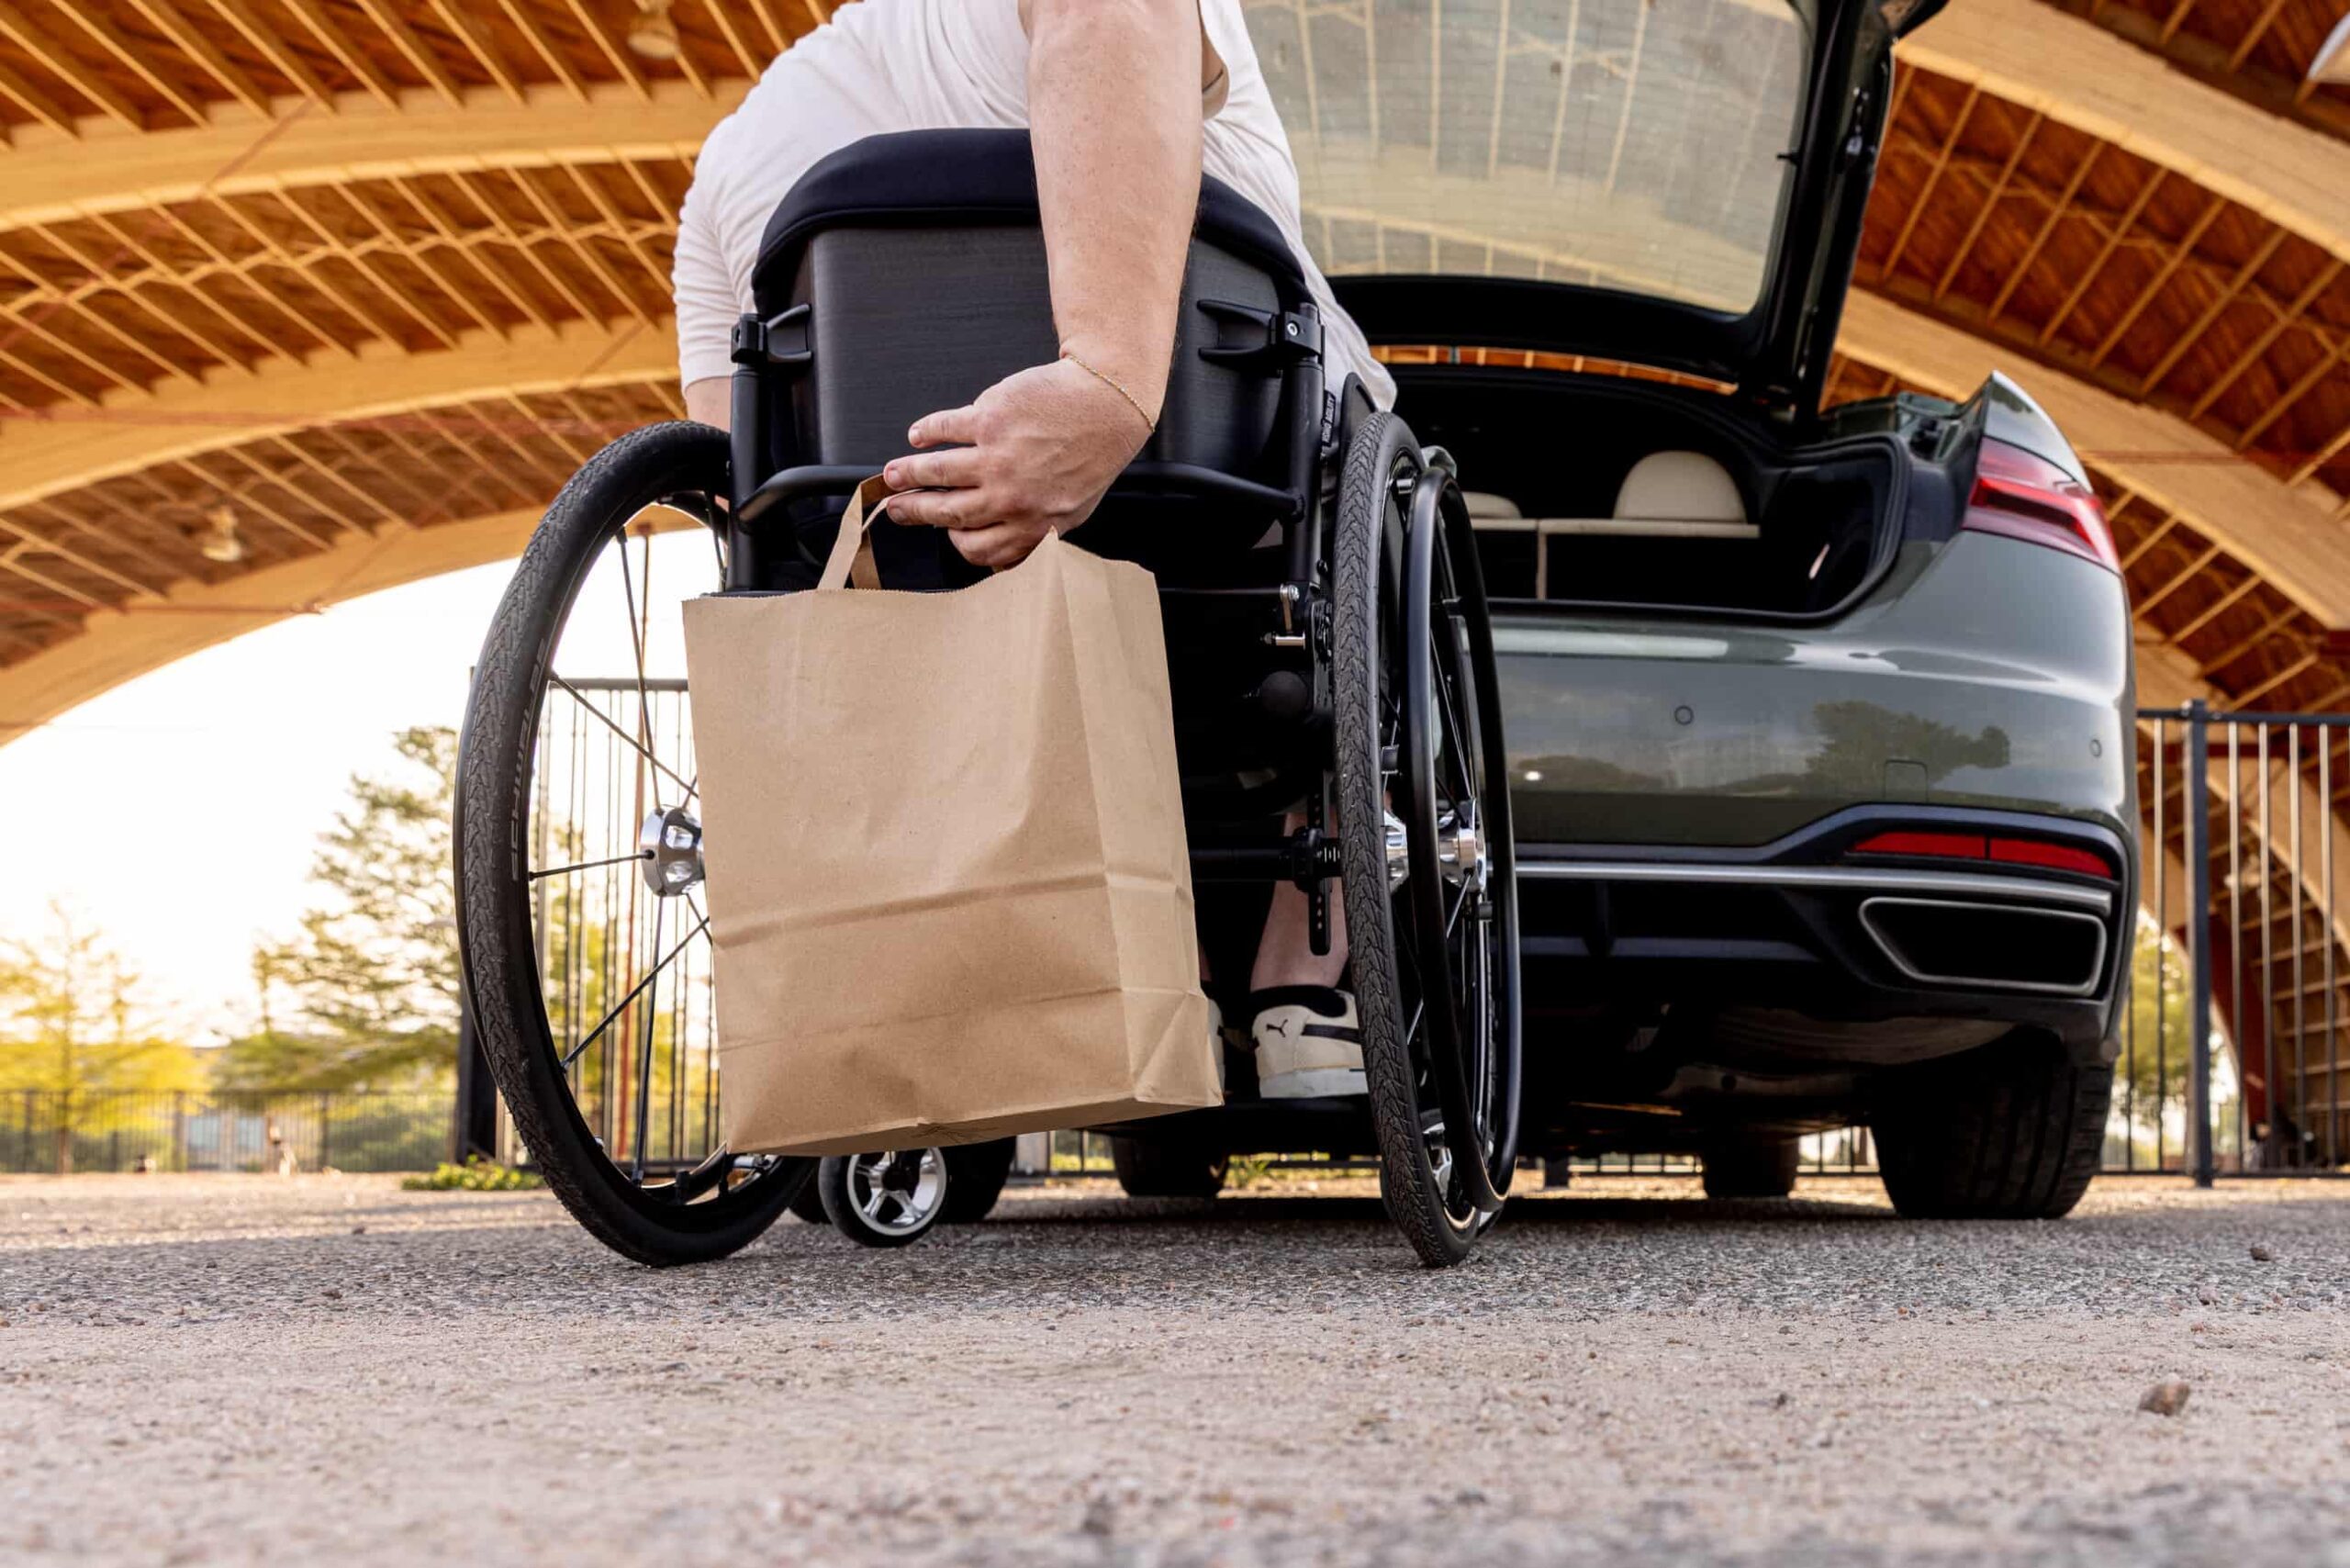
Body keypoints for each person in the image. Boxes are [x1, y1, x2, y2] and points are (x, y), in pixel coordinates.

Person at [672, 0, 1392, 1098]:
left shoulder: (737, 155)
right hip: (1217, 515)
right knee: (1363, 503)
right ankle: (1302, 966)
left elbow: (753, 481)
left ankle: (1145, 970)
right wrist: (1104, 382)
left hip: (921, 586)